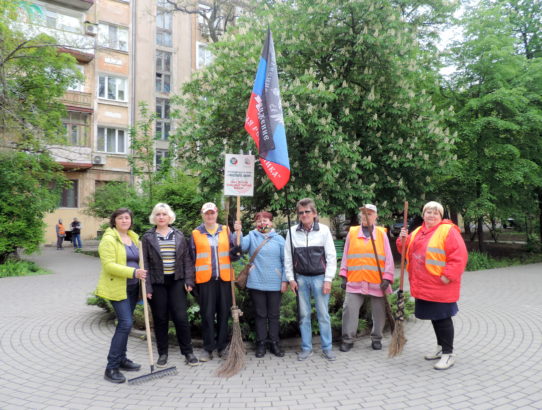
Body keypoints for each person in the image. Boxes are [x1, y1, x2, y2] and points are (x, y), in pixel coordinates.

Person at [397, 201, 468, 370]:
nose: (431, 215)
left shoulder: (448, 231)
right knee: (435, 318)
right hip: (424, 285)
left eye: (435, 213)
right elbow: (405, 251)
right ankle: (440, 348)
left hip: (441, 285)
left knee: (443, 318)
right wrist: (402, 238)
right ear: (423, 214)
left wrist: (447, 276)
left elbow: (460, 256)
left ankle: (448, 354)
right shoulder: (418, 232)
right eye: (428, 212)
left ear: (440, 216)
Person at [142, 203, 199, 368]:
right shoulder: (147, 237)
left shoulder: (179, 235)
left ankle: (188, 352)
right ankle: (163, 353)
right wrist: (147, 287)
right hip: (157, 282)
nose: (161, 217)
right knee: (160, 319)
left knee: (181, 318)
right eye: (158, 214)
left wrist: (189, 281)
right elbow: (144, 263)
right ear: (154, 217)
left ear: (169, 217)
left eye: (164, 214)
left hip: (176, 281)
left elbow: (187, 260)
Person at [95, 208, 147, 383]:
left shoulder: (133, 238)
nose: (124, 220)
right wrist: (134, 272)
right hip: (117, 288)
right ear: (114, 220)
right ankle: (111, 367)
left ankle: (123, 359)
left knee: (125, 324)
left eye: (127, 217)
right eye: (120, 218)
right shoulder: (108, 240)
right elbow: (108, 265)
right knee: (126, 323)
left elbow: (140, 259)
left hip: (132, 288)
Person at [284, 198, 337, 361]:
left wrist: (328, 279)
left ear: (314, 213)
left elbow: (331, 256)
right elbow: (287, 257)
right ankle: (306, 348)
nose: (304, 214)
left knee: (323, 314)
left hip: (320, 278)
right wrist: (291, 278)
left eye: (307, 211)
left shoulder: (324, 230)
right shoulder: (292, 232)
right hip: (301, 279)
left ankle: (327, 348)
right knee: (304, 315)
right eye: (301, 212)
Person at [339, 204, 395, 352]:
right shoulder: (352, 233)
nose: (366, 217)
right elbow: (346, 256)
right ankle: (348, 339)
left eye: (369, 214)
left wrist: (387, 278)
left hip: (377, 280)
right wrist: (344, 275)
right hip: (355, 279)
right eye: (363, 214)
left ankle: (376, 338)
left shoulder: (382, 234)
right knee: (349, 309)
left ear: (376, 216)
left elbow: (389, 258)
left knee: (379, 312)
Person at [190, 202, 240, 362]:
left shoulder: (226, 230)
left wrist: (239, 235)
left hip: (224, 279)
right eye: (207, 213)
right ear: (202, 214)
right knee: (207, 315)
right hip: (205, 281)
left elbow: (235, 253)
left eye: (212, 213)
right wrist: (189, 279)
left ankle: (222, 347)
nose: (210, 216)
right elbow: (191, 258)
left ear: (217, 213)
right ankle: (208, 348)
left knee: (224, 315)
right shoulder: (196, 233)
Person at [234, 211, 287, 358]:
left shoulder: (279, 239)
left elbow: (285, 261)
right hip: (256, 282)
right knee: (260, 315)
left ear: (271, 223)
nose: (262, 223)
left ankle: (275, 343)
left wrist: (284, 280)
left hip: (275, 283)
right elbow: (240, 246)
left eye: (265, 220)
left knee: (274, 315)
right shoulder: (251, 236)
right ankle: (261, 343)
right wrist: (238, 231)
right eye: (258, 221)